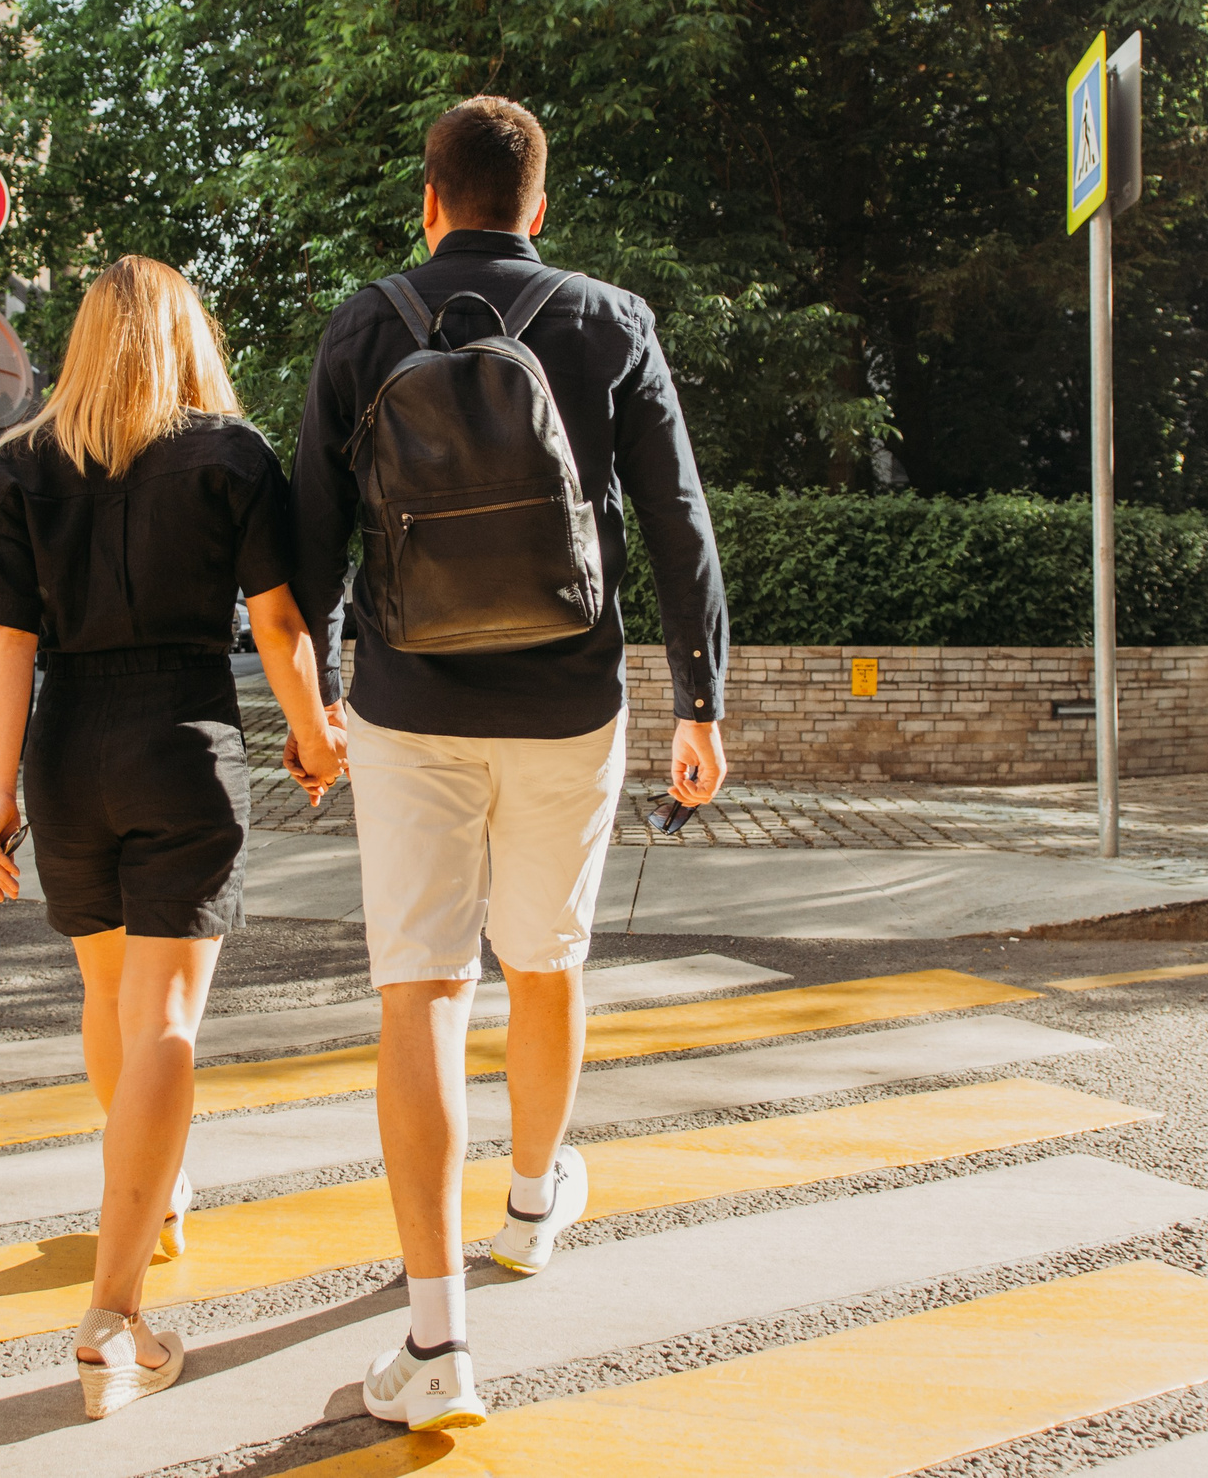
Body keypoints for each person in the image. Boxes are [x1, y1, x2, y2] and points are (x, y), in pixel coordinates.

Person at [290, 96, 729, 1429]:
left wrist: (309, 704)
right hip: (567, 703)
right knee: (547, 960)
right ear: (538, 205)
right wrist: (699, 698)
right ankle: (533, 1204)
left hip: (406, 701)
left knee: (420, 992)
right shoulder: (610, 320)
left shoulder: (365, 321)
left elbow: (306, 532)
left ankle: (434, 1340)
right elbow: (675, 516)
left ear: (430, 199)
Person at [0, 255, 345, 1419]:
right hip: (181, 737)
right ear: (188, 338)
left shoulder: (22, 461)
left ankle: (155, 1193)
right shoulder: (228, 455)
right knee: (168, 1018)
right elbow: (277, 619)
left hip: (68, 750)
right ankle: (114, 1314)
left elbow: (5, 639)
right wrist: (315, 735)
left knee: (110, 999)